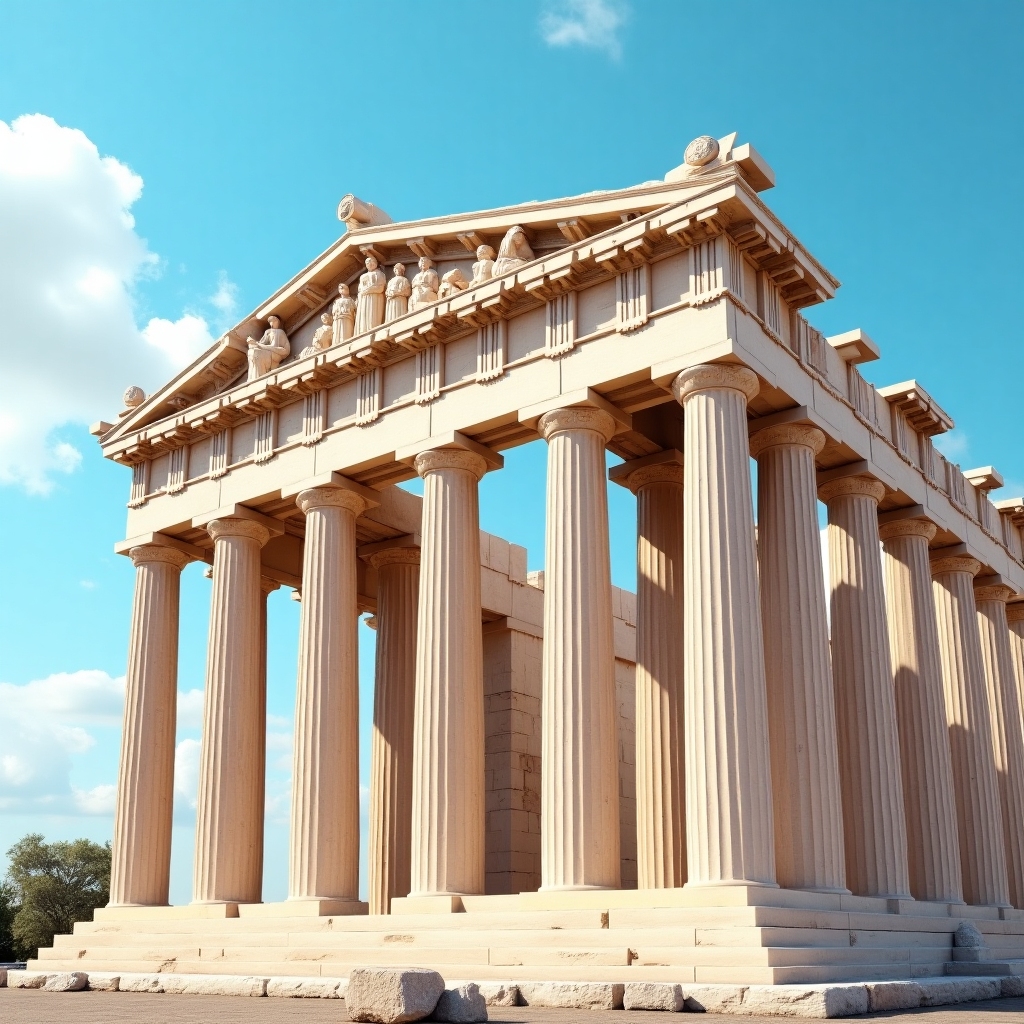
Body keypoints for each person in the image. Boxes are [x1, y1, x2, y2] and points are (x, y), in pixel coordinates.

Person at [246, 315, 290, 380]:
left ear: (278, 322)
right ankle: (252, 379)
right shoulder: (268, 332)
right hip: (267, 351)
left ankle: (259, 379)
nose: (272, 324)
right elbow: (261, 343)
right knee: (251, 352)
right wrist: (253, 343)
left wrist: (262, 346)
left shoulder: (280, 332)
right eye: (271, 322)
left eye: (275, 321)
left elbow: (286, 350)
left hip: (276, 354)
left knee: (257, 353)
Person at [354, 256, 387, 334]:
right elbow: (360, 290)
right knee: (363, 315)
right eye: (368, 263)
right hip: (363, 299)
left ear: (376, 263)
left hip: (374, 297)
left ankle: (373, 328)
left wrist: (368, 289)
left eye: (372, 262)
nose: (370, 264)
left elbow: (380, 288)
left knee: (372, 314)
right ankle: (363, 330)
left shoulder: (379, 274)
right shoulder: (362, 276)